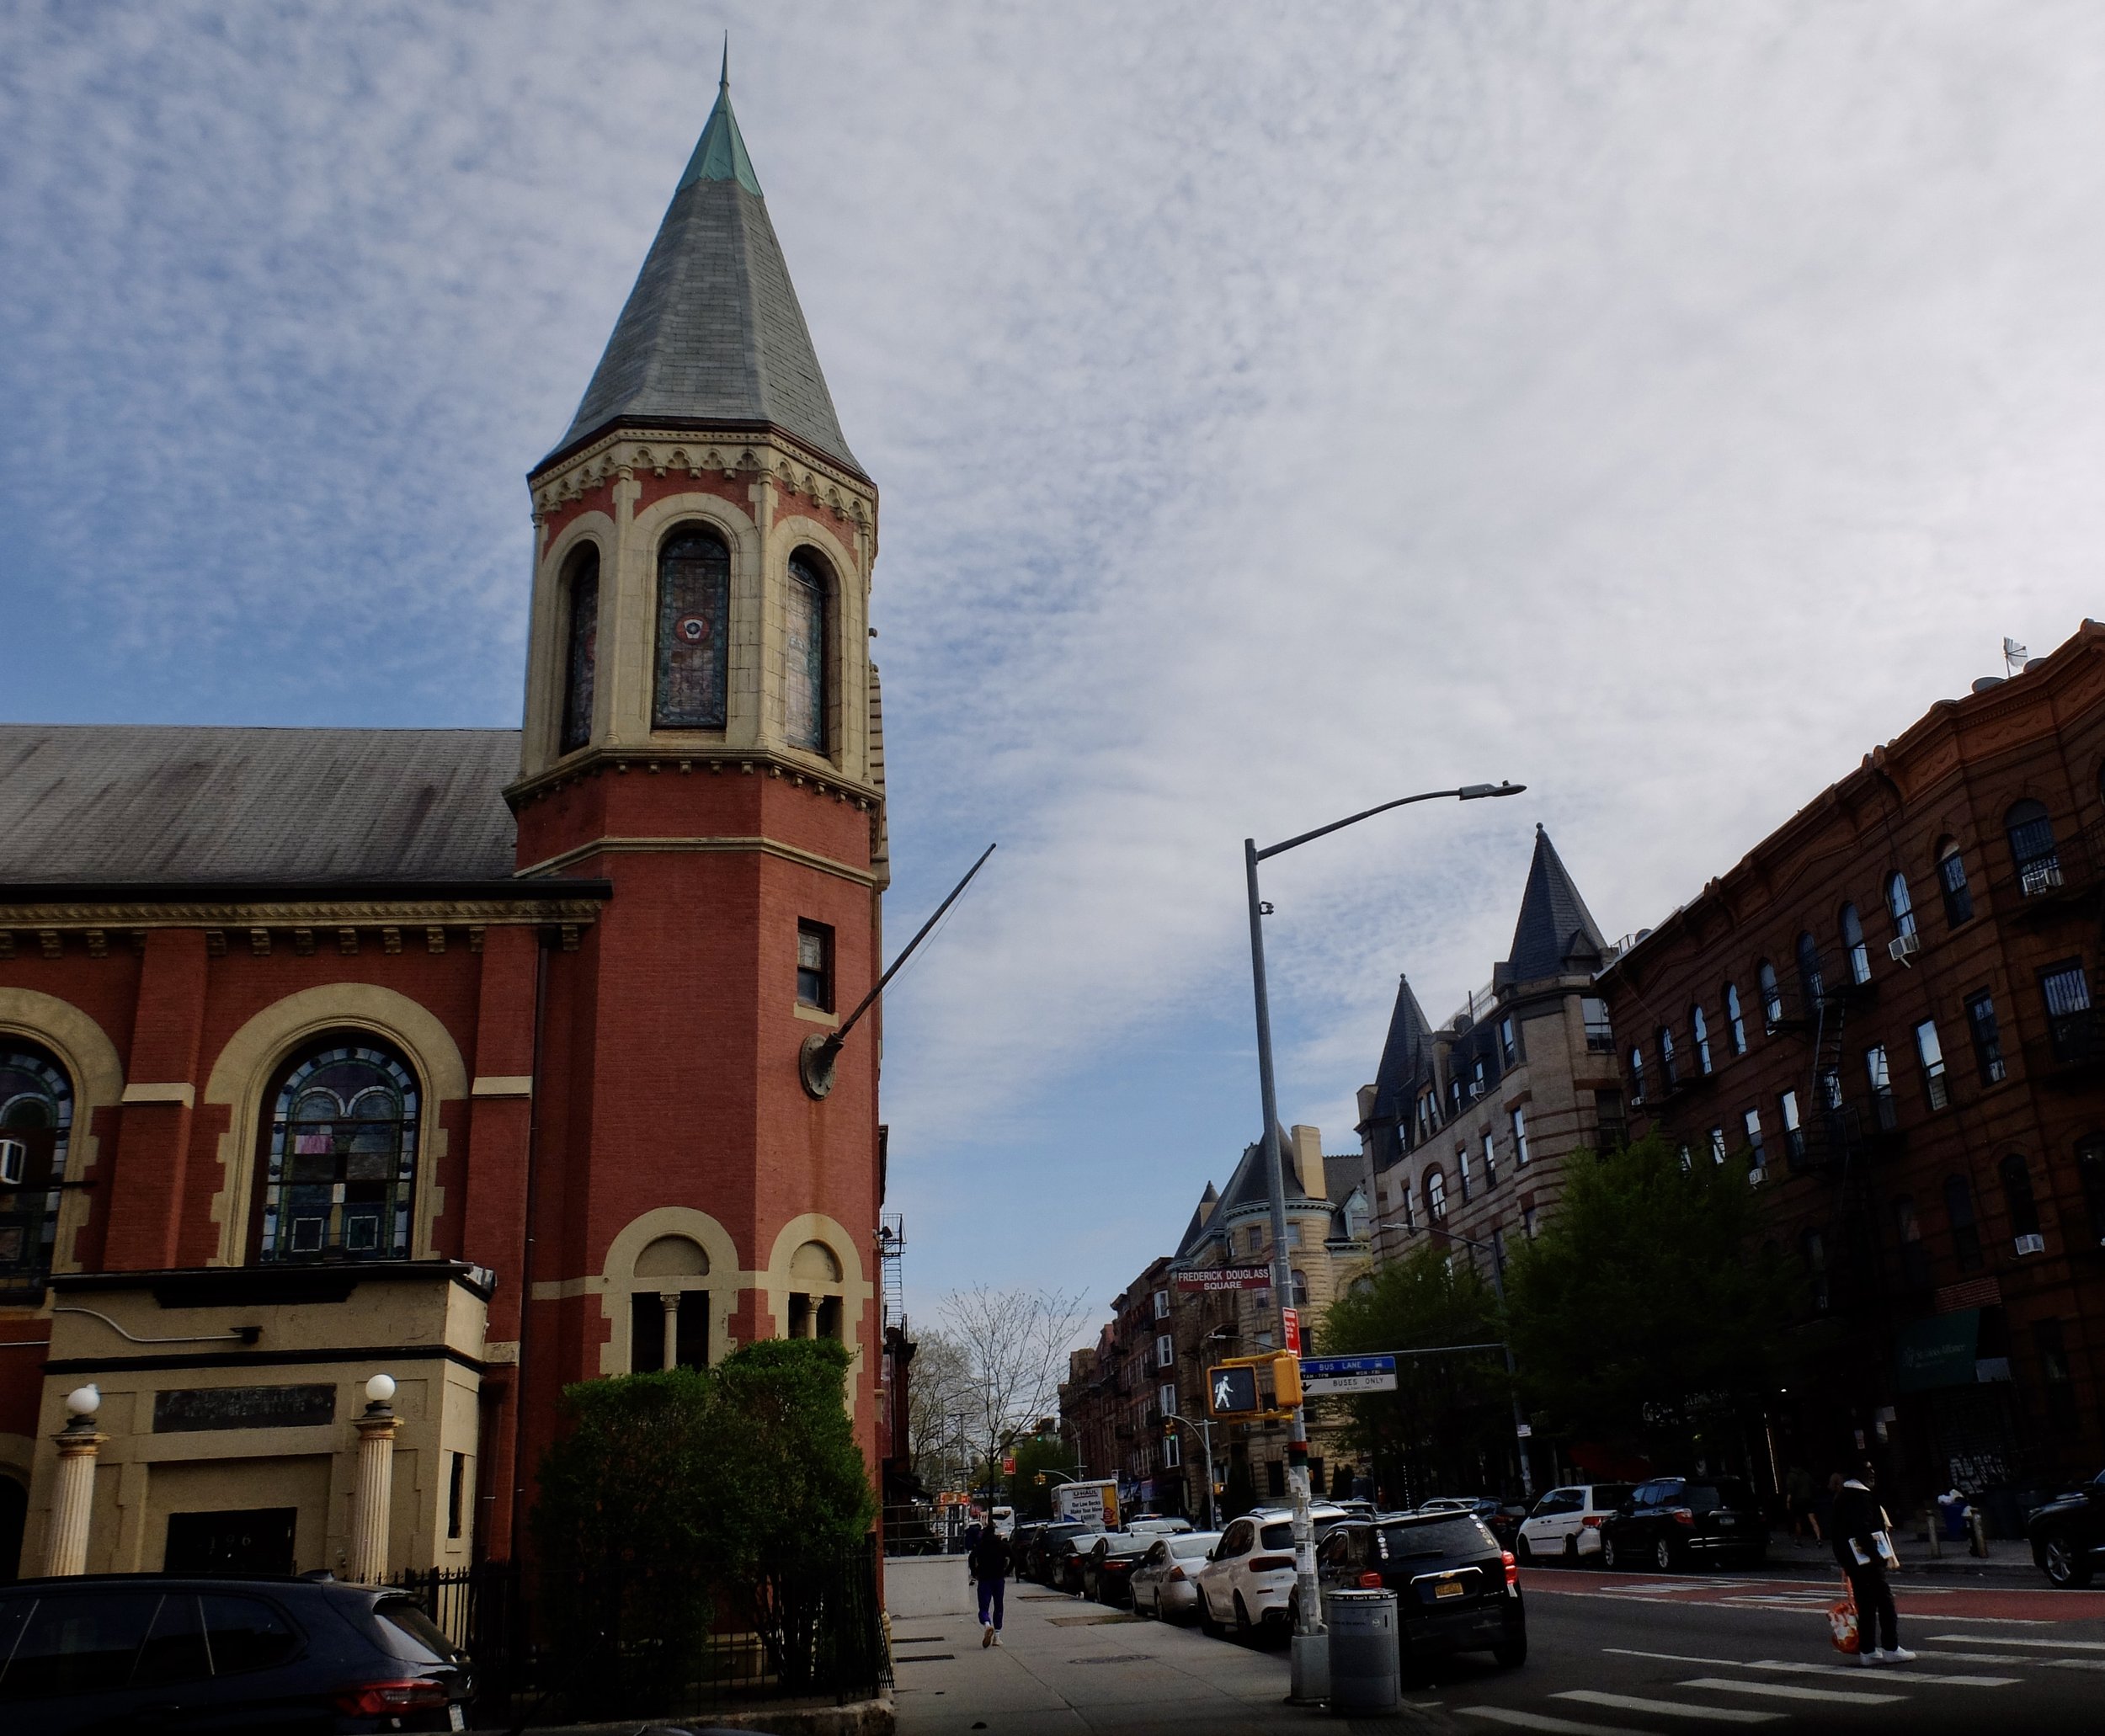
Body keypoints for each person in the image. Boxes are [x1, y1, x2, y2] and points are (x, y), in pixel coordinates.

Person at [1831, 1463, 1913, 1664]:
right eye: (1867, 1468)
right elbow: (1864, 1530)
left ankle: (1867, 1650)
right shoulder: (1861, 1497)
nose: (1873, 1472)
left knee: (1866, 1604)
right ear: (1858, 1474)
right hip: (1867, 1561)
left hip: (1851, 1561)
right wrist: (1876, 1555)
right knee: (1884, 1602)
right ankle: (1891, 1647)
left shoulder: (1841, 1497)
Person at [970, 1524, 1014, 1646]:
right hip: (999, 1578)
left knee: (983, 1607)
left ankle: (987, 1625)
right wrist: (1007, 1571)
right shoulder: (1002, 1545)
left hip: (984, 1579)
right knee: (998, 1606)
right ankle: (997, 1636)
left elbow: (971, 1557)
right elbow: (1013, 1557)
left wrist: (975, 1572)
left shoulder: (981, 1546)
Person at [1787, 1465, 1820, 1547]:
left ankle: (1798, 1541)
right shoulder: (1806, 1475)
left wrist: (1788, 1502)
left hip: (1798, 1501)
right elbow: (1813, 1486)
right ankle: (1818, 1539)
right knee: (1813, 1520)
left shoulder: (1791, 1476)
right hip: (1808, 1499)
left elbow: (1790, 1490)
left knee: (1798, 1522)